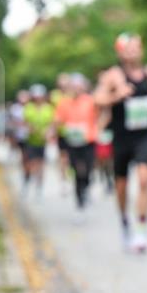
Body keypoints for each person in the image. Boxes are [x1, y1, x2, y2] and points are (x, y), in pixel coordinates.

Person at [94, 33, 147, 252]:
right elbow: (97, 99)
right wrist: (116, 95)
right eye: (129, 48)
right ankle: (125, 221)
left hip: (143, 135)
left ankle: (141, 231)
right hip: (121, 136)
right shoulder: (113, 76)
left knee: (145, 180)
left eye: (137, 47)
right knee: (121, 186)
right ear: (120, 53)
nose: (133, 51)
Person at [54, 73, 98, 218]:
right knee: (77, 170)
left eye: (79, 86)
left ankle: (86, 187)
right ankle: (79, 202)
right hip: (72, 141)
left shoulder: (91, 101)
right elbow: (58, 120)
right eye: (74, 87)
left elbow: (99, 117)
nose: (76, 89)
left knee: (89, 169)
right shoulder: (64, 102)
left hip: (88, 140)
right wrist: (51, 131)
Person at [22, 84, 55, 197]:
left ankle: (39, 186)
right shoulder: (29, 107)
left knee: (41, 164)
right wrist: (33, 129)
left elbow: (52, 123)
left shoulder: (48, 108)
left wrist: (48, 132)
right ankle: (27, 180)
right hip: (31, 141)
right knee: (30, 164)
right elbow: (26, 122)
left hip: (42, 141)